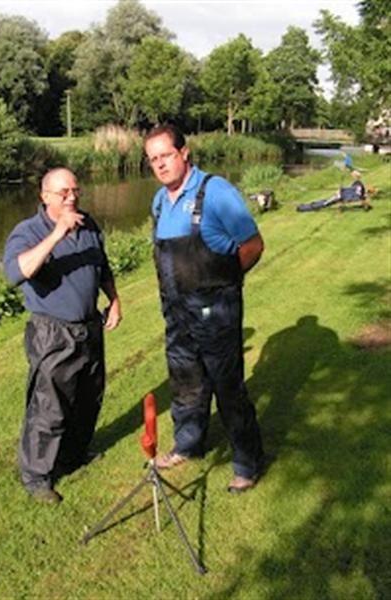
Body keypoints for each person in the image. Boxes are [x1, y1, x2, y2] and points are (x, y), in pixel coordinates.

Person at [144, 125, 265, 493]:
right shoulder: (159, 201)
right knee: (185, 380)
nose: (160, 164)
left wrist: (225, 281)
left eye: (166, 155)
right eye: (153, 159)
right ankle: (188, 445)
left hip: (216, 309)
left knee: (228, 387)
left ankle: (247, 464)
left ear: (184, 153)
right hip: (176, 310)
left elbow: (253, 245)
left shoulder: (216, 192)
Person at [4, 167, 121, 503]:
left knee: (88, 397)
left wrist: (114, 300)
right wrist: (57, 234)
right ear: (45, 197)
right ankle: (37, 477)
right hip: (52, 331)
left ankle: (73, 455)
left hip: (90, 327)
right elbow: (17, 272)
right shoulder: (27, 231)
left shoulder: (89, 224)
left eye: (75, 190)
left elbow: (102, 266)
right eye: (63, 192)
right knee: (49, 406)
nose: (72, 197)